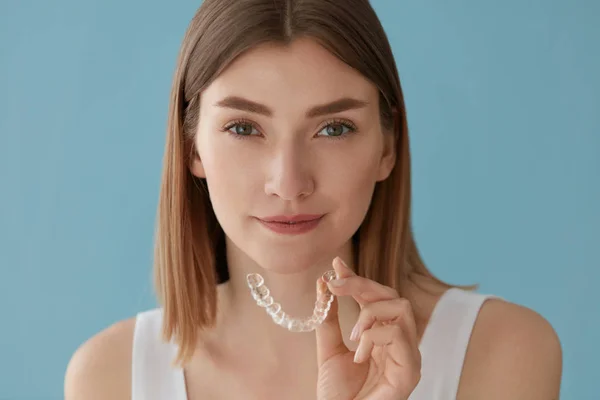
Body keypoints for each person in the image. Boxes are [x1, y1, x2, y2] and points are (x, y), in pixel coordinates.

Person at [64, 0, 563, 398]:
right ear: (192, 145)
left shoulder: (502, 352)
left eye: (333, 128)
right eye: (243, 127)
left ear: (387, 147)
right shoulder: (109, 379)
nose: (289, 182)